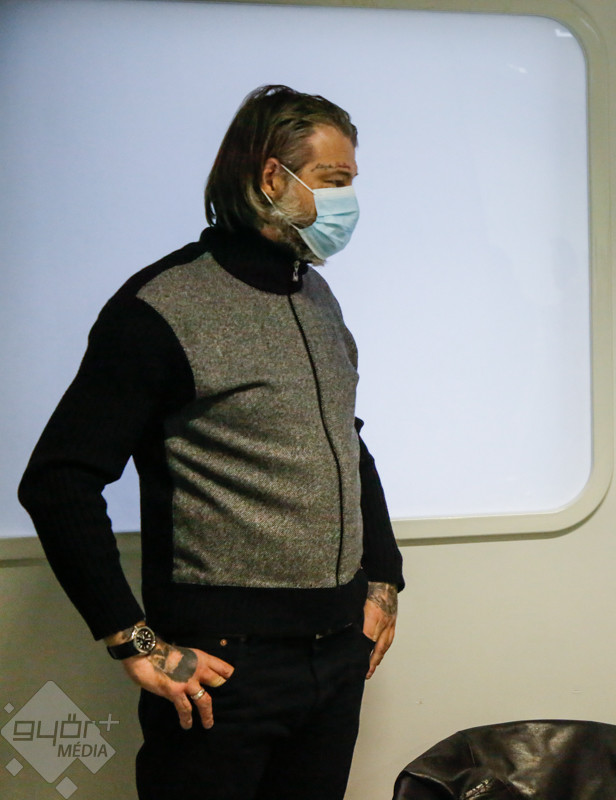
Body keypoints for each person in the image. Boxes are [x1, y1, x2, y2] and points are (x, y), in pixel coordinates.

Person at [19, 85, 405, 800]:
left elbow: (345, 443)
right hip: (224, 670)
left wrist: (383, 577)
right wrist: (134, 641)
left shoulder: (316, 296)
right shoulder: (162, 307)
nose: (348, 201)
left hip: (335, 659)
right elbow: (58, 479)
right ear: (272, 178)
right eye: (333, 181)